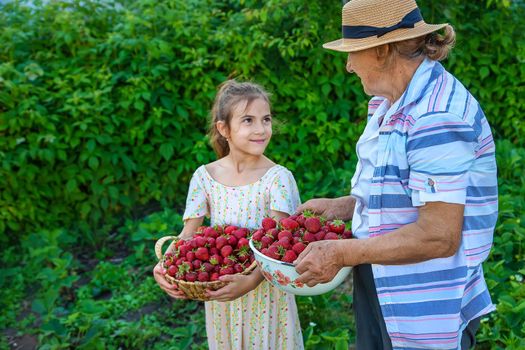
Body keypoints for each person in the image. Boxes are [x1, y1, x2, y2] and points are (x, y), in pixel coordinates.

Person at [294, 0, 497, 349]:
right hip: (382, 275)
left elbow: (438, 236)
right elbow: (405, 192)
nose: (347, 66)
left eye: (353, 52)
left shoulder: (437, 117)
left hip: (425, 300)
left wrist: (341, 253)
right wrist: (344, 206)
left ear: (383, 50)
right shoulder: (395, 102)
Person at [153, 80, 304, 349]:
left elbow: (280, 247)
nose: (261, 129)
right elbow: (188, 236)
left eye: (266, 119)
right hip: (221, 290)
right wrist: (165, 265)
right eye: (248, 120)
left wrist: (250, 281)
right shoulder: (204, 177)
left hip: (265, 294)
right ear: (224, 129)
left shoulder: (278, 178)